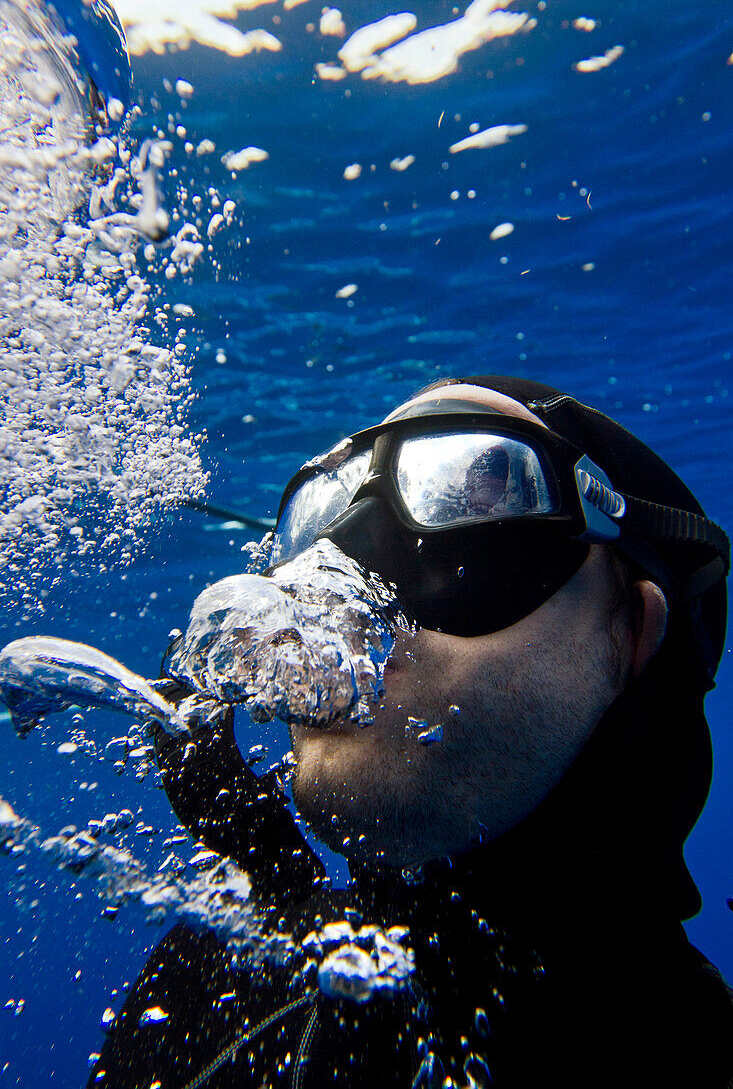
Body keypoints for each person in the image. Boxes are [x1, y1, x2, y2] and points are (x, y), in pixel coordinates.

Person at [88, 375, 733, 1089]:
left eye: (477, 493)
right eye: (316, 515)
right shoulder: (227, 970)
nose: (339, 576)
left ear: (630, 634)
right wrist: (274, 901)